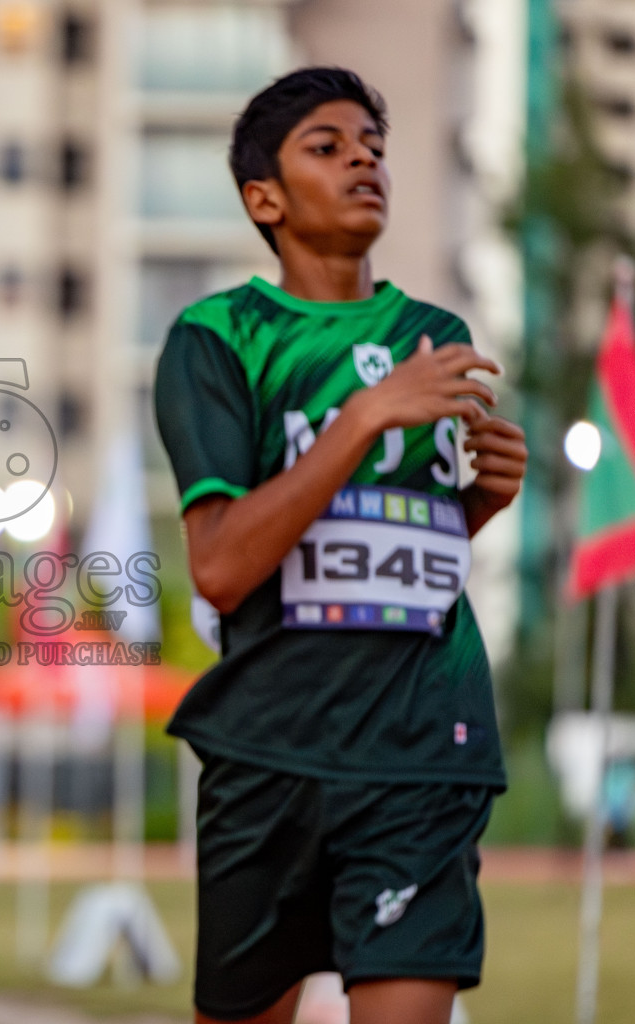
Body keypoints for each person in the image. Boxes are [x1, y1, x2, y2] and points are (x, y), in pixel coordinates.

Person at [153, 68, 528, 1024]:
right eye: (328, 145)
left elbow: (409, 558)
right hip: (271, 749)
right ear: (263, 198)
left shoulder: (433, 337)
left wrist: (478, 505)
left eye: (374, 144)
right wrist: (363, 417)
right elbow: (225, 566)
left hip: (423, 747)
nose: (364, 157)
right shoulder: (219, 338)